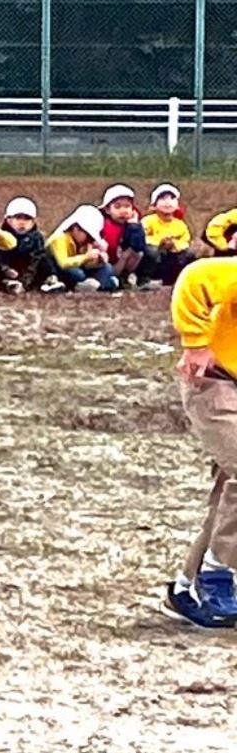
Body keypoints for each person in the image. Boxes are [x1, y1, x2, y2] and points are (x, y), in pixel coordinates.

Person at [158, 257, 237, 628]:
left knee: (228, 491)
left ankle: (187, 588)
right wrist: (195, 343)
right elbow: (196, 277)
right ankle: (218, 574)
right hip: (215, 382)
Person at [39, 205, 118, 293]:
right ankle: (81, 285)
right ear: (75, 229)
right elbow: (63, 263)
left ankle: (101, 285)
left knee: (107, 268)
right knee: (77, 274)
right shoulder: (59, 238)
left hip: (77, 267)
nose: (89, 239)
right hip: (59, 269)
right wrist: (86, 257)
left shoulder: (82, 243)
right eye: (88, 235)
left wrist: (98, 260)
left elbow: (87, 265)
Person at [144, 184, 195, 288]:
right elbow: (142, 238)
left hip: (172, 256)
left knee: (189, 253)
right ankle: (146, 278)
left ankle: (179, 278)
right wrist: (160, 242)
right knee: (150, 251)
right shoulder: (148, 221)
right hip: (156, 257)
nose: (167, 202)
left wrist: (174, 245)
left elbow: (185, 241)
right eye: (162, 199)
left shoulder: (180, 225)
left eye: (172, 199)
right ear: (154, 205)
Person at [100, 185, 150, 287]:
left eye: (127, 206)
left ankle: (131, 277)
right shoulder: (102, 225)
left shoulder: (133, 225)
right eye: (117, 207)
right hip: (106, 264)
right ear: (107, 210)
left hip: (124, 262)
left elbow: (138, 246)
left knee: (146, 252)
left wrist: (134, 226)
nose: (123, 211)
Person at [3, 197, 46, 288]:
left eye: (27, 219)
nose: (22, 222)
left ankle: (49, 281)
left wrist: (26, 279)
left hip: (30, 274)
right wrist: (6, 270)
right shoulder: (1, 237)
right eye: (18, 218)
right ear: (8, 220)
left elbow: (37, 259)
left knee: (45, 258)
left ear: (34, 222)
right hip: (9, 272)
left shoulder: (36, 238)